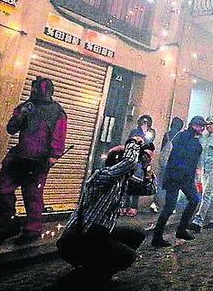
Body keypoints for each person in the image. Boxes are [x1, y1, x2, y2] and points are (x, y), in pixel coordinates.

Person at [56, 137, 155, 282]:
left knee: (137, 233)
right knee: (128, 256)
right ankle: (88, 274)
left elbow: (150, 189)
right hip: (77, 239)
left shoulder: (123, 181)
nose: (134, 165)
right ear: (119, 162)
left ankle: (98, 269)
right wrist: (133, 142)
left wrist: (147, 166)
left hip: (97, 235)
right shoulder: (102, 176)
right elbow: (128, 163)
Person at [0, 77, 68, 246]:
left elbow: (58, 137)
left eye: (37, 89)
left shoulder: (57, 112)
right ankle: (7, 223)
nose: (33, 92)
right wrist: (22, 114)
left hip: (38, 161)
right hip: (18, 158)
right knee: (1, 190)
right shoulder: (27, 107)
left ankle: (32, 230)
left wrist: (51, 158)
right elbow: (12, 128)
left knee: (32, 197)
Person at [152, 116, 205, 247]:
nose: (202, 128)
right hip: (178, 177)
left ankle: (181, 230)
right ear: (194, 125)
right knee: (170, 207)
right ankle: (157, 236)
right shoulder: (187, 138)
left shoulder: (188, 138)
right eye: (200, 126)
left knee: (193, 200)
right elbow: (187, 156)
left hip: (181, 177)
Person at [124, 114, 156, 216]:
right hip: (133, 160)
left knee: (138, 183)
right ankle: (126, 205)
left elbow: (149, 145)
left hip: (143, 162)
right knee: (129, 182)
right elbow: (130, 143)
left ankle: (134, 206)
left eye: (147, 122)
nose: (145, 124)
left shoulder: (150, 133)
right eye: (143, 122)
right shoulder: (134, 132)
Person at [155, 117, 184, 212]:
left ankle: (158, 204)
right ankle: (170, 206)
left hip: (163, 162)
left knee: (161, 184)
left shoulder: (166, 134)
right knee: (172, 186)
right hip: (173, 164)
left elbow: (162, 148)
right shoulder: (180, 136)